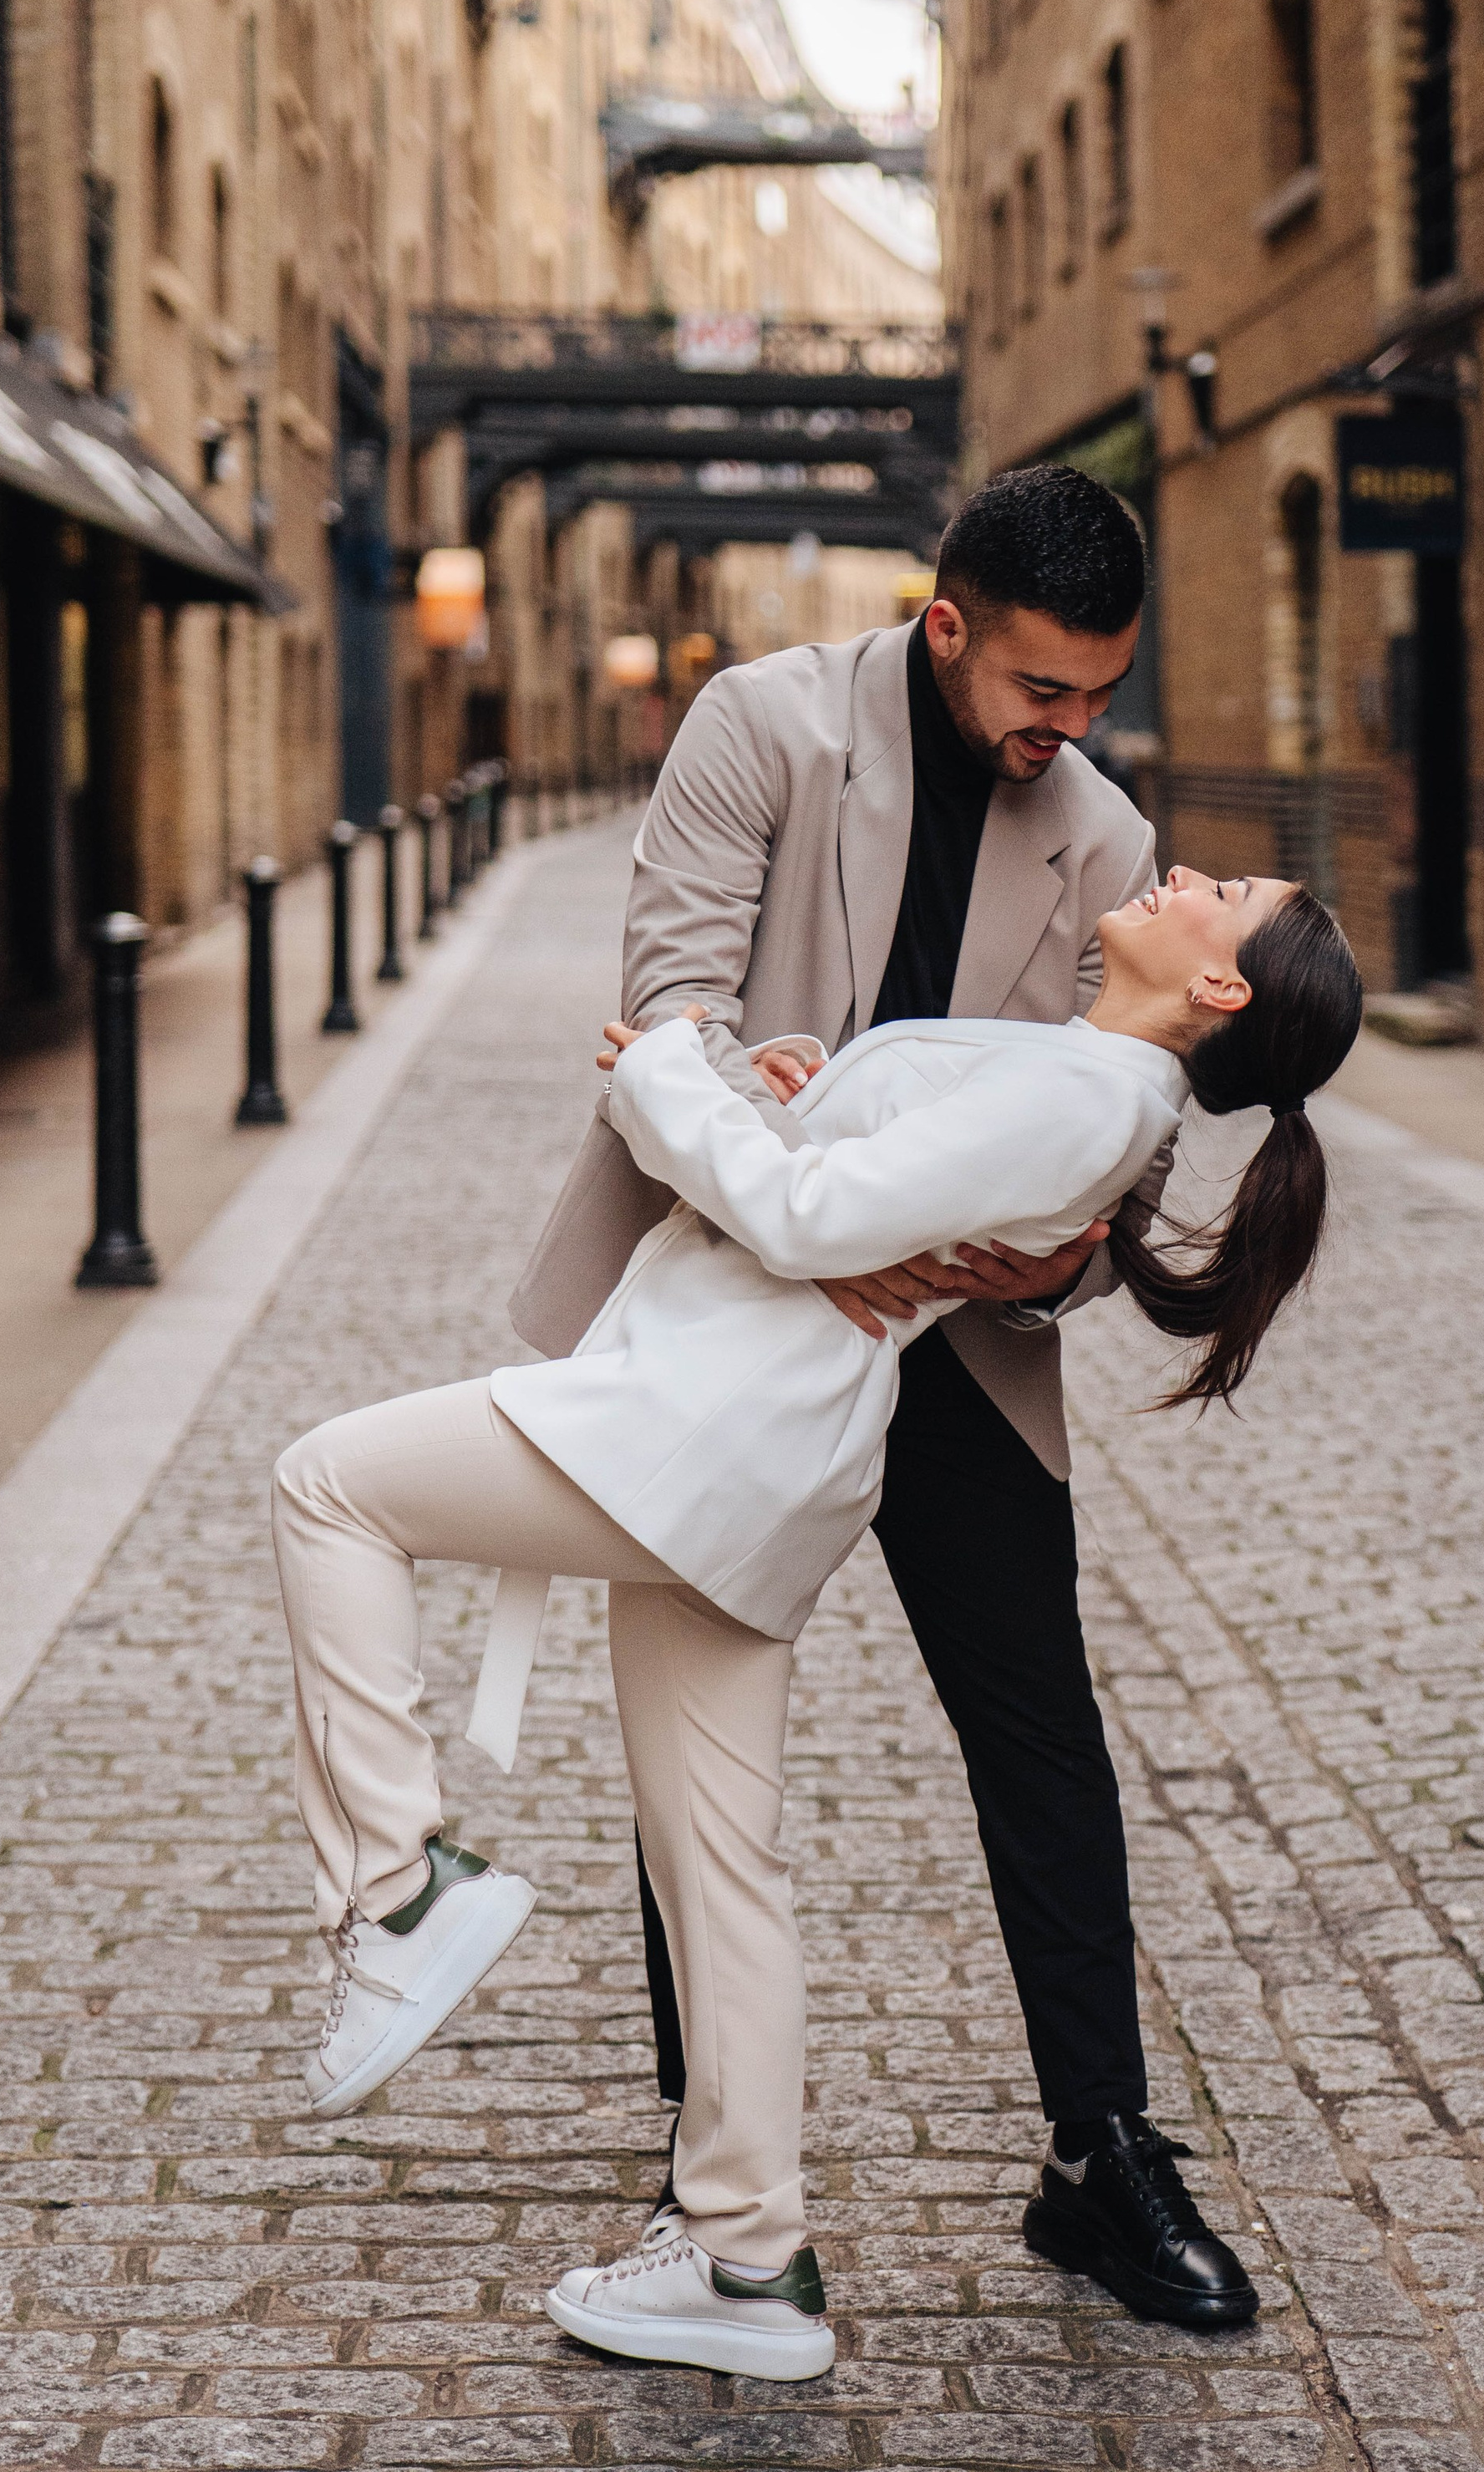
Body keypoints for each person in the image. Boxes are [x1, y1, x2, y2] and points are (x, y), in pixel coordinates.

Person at [270, 867, 1363, 2383]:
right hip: (748, 1442)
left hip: (697, 1423)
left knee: (327, 1483)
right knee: (719, 1861)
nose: (1186, 873)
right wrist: (805, 1084)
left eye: (1225, 894)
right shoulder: (1077, 1069)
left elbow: (798, 1218)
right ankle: (743, 2256)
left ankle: (396, 1891)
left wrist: (663, 1074)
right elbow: (849, 1180)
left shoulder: (1101, 1098)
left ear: (1221, 987)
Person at [513, 464, 1259, 2328]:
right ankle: (716, 2195)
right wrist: (808, 1216)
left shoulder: (1100, 830)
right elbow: (669, 1013)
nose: (1068, 734)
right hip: (735, 1314)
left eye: (1097, 695)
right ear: (944, 628)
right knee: (694, 1768)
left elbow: (1117, 1159)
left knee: (1042, 1741)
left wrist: (1046, 1263)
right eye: (1039, 692)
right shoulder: (760, 727)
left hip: (959, 1352)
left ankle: (1101, 2155)